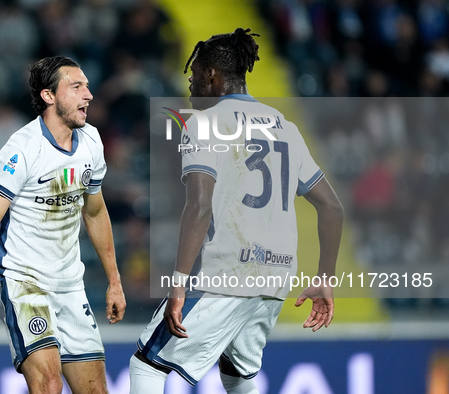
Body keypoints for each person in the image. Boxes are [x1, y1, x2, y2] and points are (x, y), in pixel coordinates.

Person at [129, 28, 344, 393]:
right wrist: (325, 277)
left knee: (146, 366)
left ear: (212, 76)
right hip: (275, 275)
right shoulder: (285, 126)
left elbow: (199, 206)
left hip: (226, 272)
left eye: (194, 75)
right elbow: (332, 207)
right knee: (237, 373)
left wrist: (178, 283)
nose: (191, 86)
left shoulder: (204, 123)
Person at [0, 56, 126, 394]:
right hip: (24, 282)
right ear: (48, 96)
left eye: (87, 86)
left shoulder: (92, 142)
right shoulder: (23, 150)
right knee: (49, 384)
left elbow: (95, 213)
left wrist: (114, 280)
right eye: (77, 87)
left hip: (70, 284)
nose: (89, 95)